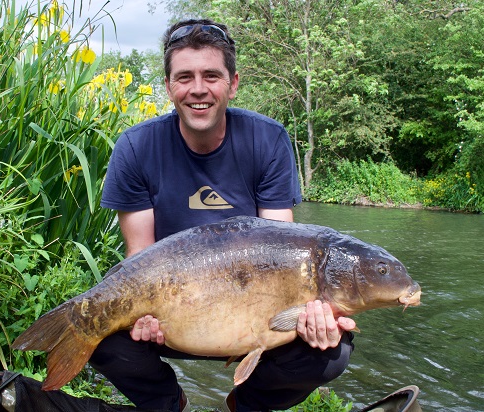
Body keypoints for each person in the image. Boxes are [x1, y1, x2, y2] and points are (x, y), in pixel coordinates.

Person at [89, 19, 356, 412]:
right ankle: (168, 403)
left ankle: (244, 405)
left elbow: (283, 251)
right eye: (185, 77)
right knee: (98, 330)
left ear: (232, 83)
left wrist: (312, 312)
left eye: (211, 75)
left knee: (332, 349)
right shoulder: (135, 147)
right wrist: (143, 315)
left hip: (258, 315)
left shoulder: (267, 140)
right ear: (168, 86)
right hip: (174, 316)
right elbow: (139, 257)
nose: (198, 89)